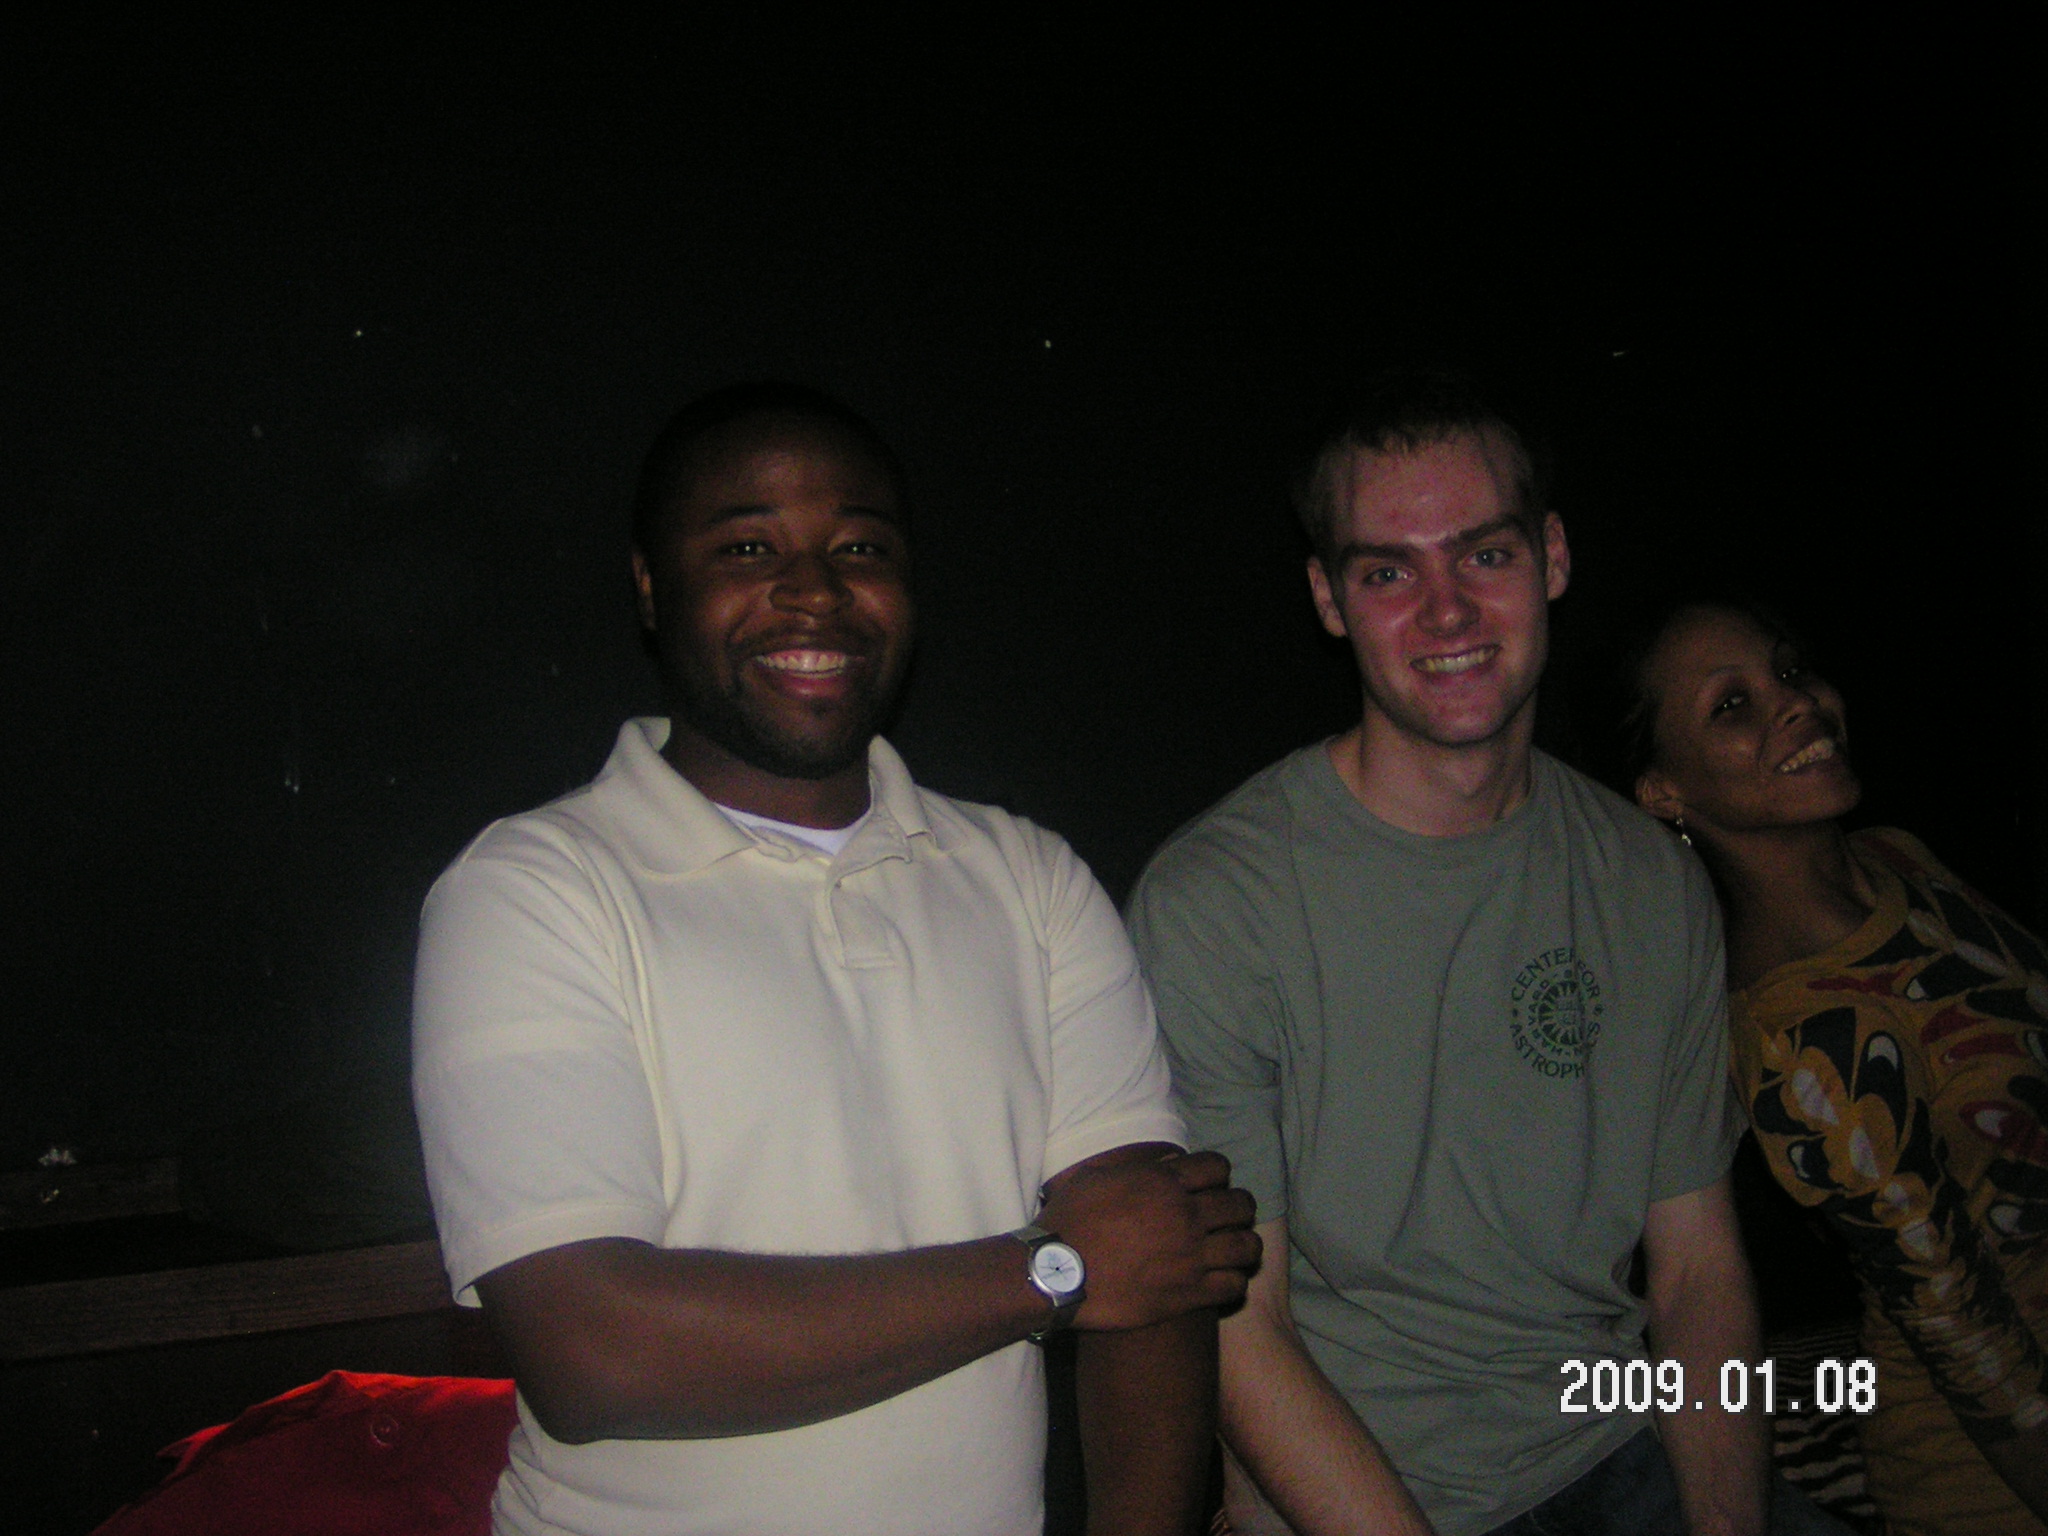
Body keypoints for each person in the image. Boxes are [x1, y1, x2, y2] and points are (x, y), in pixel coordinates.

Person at [410, 382, 1261, 1536]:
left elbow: (1154, 1262)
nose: (813, 590)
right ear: (652, 587)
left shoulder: (1028, 879)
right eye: (747, 547)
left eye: (859, 548)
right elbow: (593, 1352)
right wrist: (1046, 1271)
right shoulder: (534, 889)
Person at [1124, 373, 1775, 1535]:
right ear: (1327, 599)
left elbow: (1696, 1276)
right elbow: (1239, 1331)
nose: (1445, 613)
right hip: (1348, 1494)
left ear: (1551, 558)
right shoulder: (1215, 901)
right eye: (1387, 573)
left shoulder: (1648, 879)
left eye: (1482, 555)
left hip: (1607, 1447)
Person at [1625, 598, 2048, 1536]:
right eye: (1732, 706)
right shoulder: (1806, 1034)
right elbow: (1967, 1343)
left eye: (1790, 670)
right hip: (2000, 1479)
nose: (1796, 702)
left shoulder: (1895, 858)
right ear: (1663, 792)